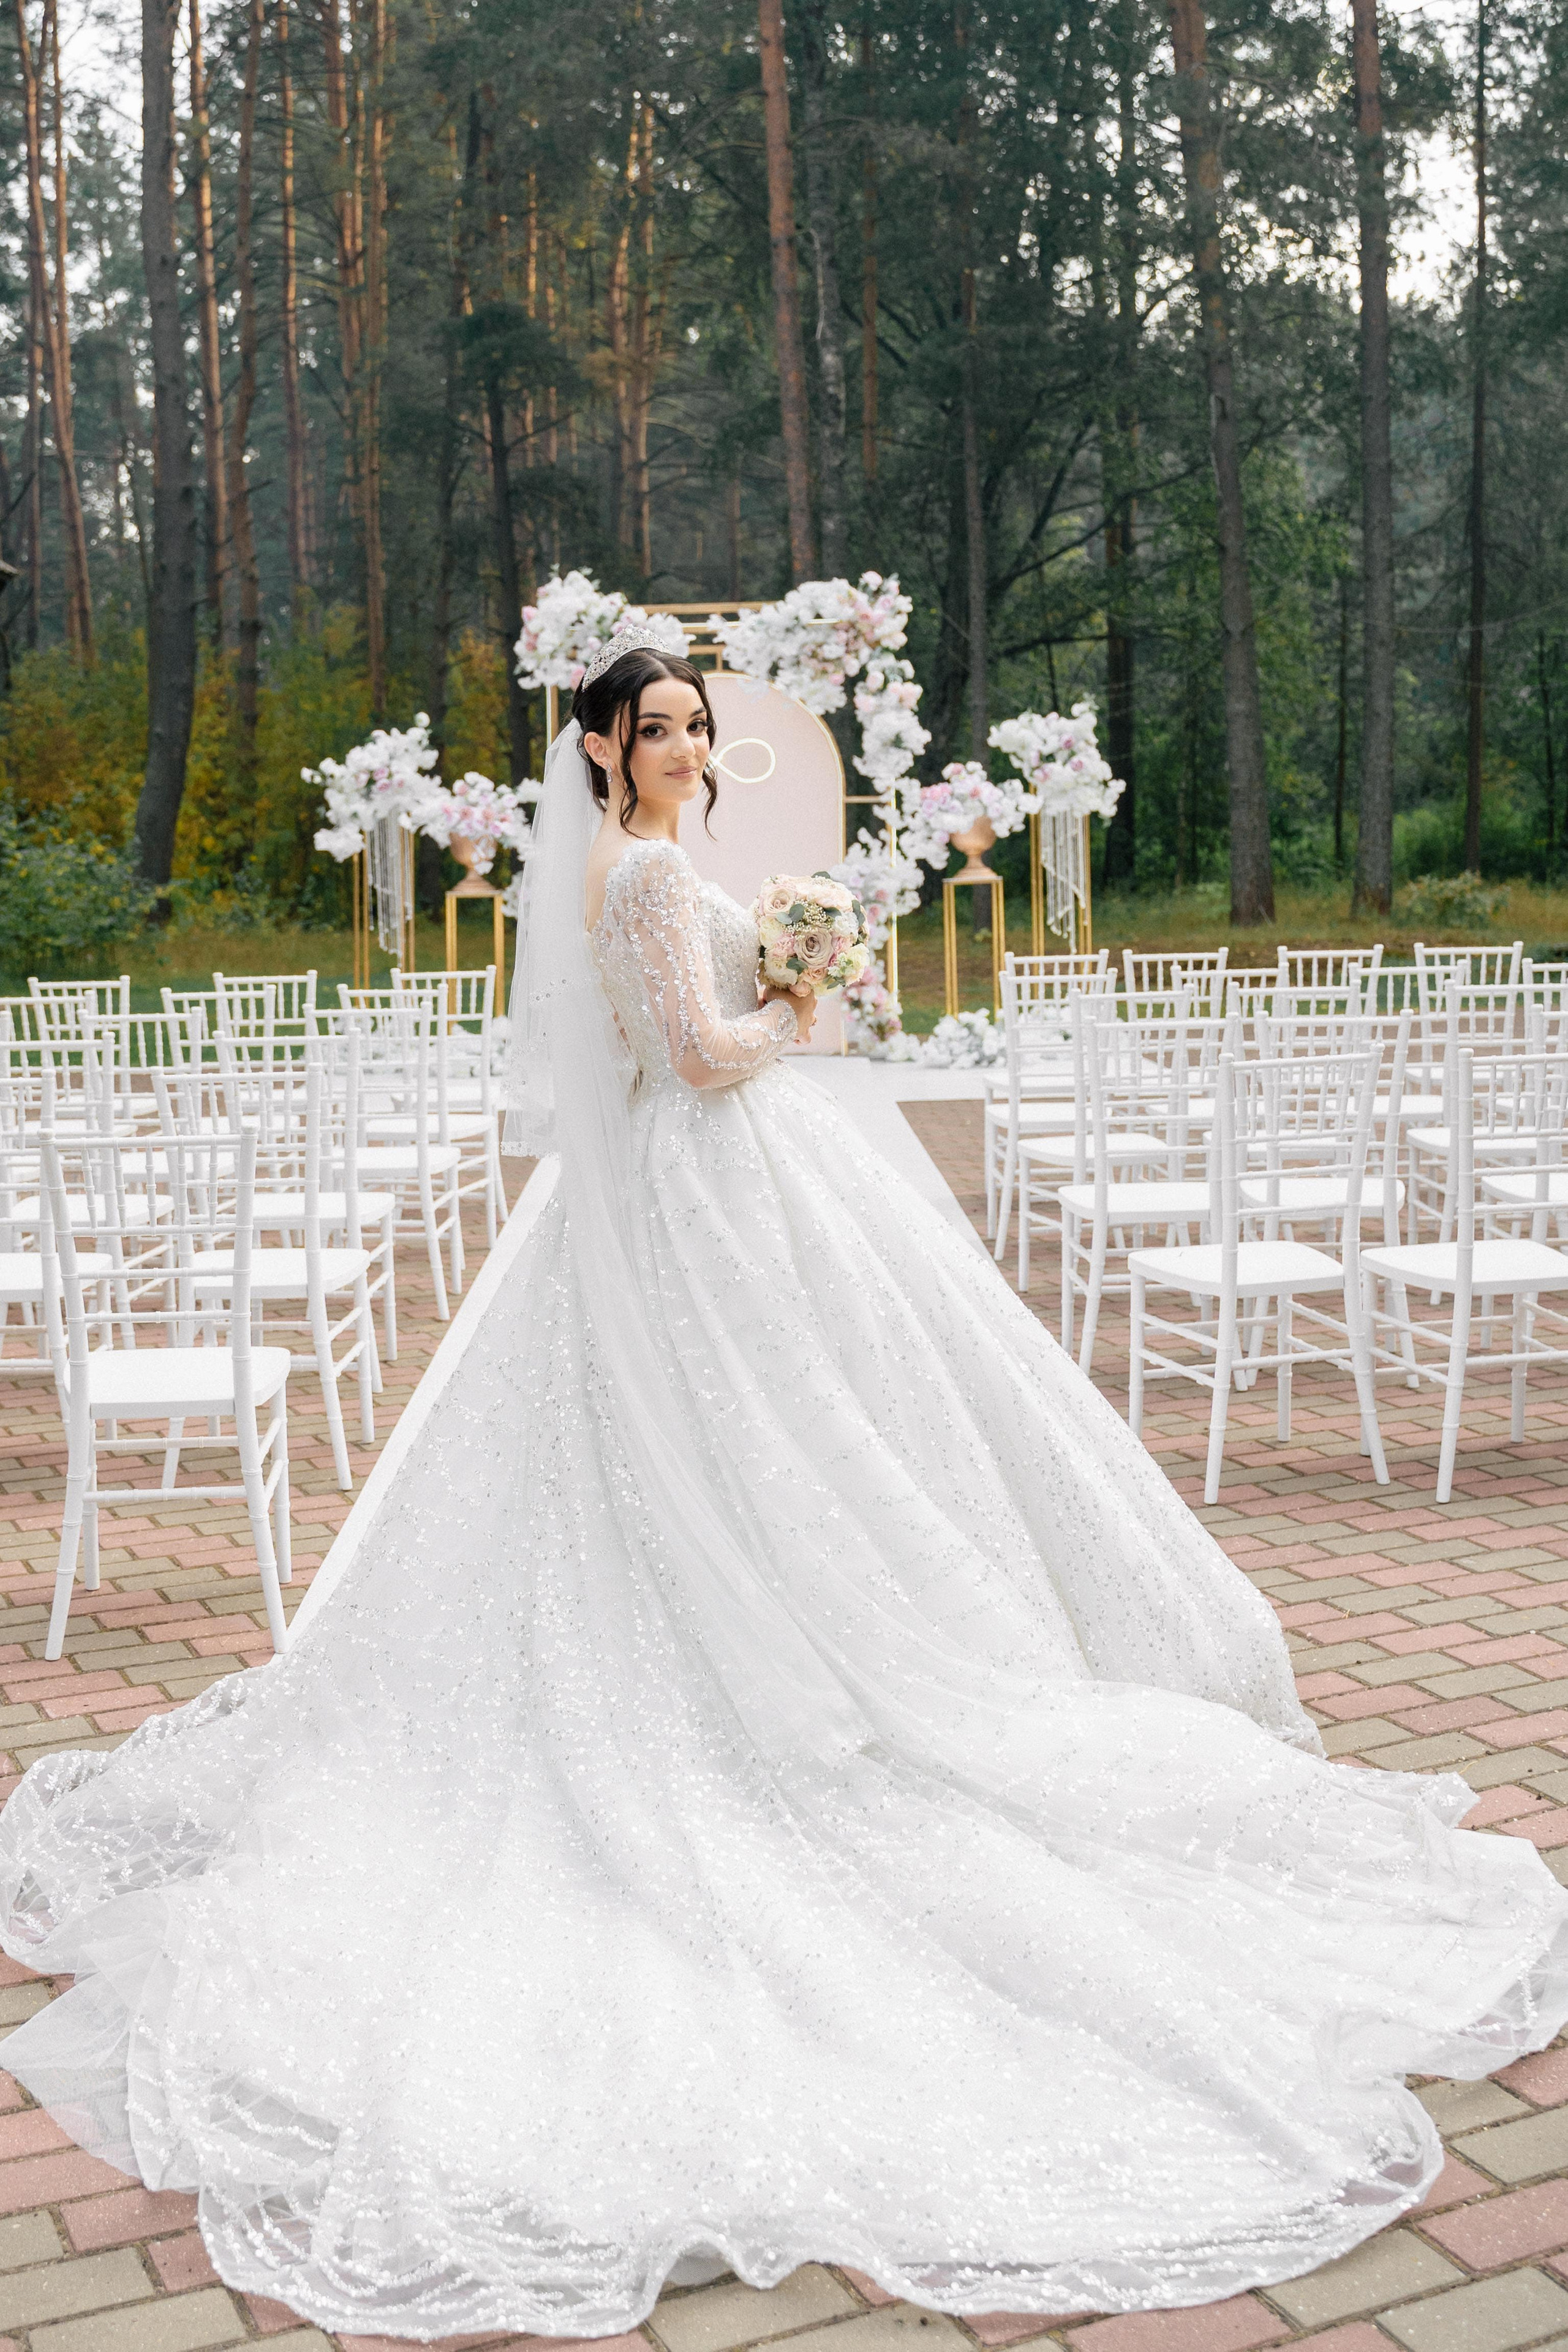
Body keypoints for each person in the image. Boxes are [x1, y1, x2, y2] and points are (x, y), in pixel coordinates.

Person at [0, 622, 1564, 2345]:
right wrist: (799, 1001)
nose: (682, 749)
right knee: (760, 1456)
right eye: (655, 731)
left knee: (787, 1452)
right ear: (598, 752)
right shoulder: (650, 884)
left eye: (693, 727)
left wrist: (795, 965)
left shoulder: (649, 863)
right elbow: (696, 1062)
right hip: (710, 1189)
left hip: (703, 1201)